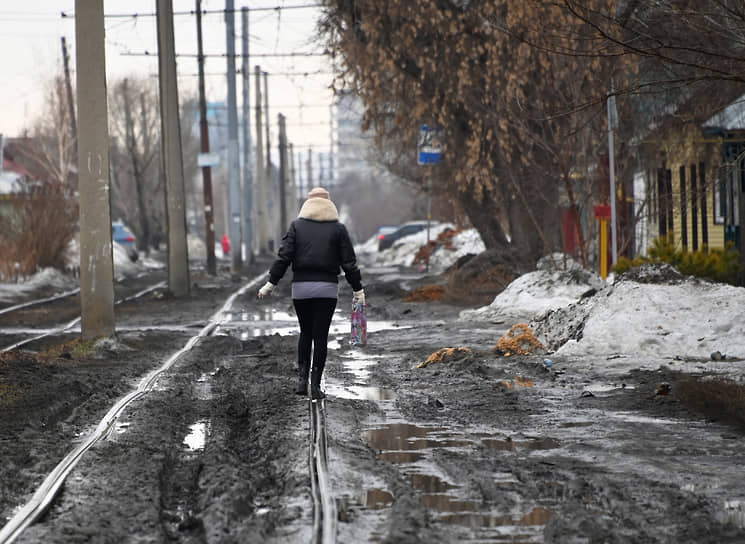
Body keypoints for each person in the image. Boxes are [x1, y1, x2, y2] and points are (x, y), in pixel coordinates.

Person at [257, 187, 364, 399]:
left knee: (305, 333)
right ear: (329, 203)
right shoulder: (338, 229)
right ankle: (315, 386)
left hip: (301, 289)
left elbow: (284, 257)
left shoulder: (297, 226)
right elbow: (349, 263)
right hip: (327, 289)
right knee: (320, 336)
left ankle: (301, 382)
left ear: (308, 203)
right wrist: (357, 289)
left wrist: (270, 284)